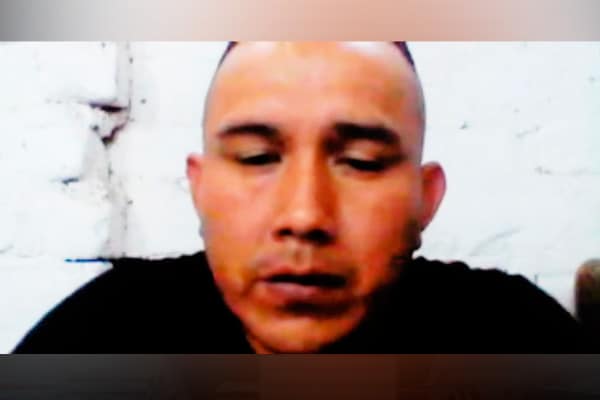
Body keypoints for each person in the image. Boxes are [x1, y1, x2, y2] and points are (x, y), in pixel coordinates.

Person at [14, 42, 585, 353]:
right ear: (201, 188)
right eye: (257, 158)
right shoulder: (101, 338)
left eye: (361, 162)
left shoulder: (513, 339)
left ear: (424, 200)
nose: (305, 215)